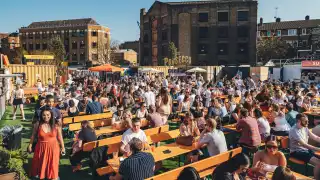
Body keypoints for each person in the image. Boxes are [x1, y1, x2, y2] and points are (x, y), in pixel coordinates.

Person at [28, 109, 65, 180]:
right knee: (40, 163)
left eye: (48, 115)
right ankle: (41, 174)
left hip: (53, 148)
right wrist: (30, 145)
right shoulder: (37, 124)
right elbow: (33, 135)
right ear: (41, 116)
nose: (46, 116)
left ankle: (53, 176)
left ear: (51, 115)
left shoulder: (56, 125)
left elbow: (60, 137)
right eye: (44, 115)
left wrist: (63, 147)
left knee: (53, 163)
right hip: (41, 148)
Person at [289, 113, 320, 179]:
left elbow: (315, 137)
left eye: (307, 121)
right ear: (299, 121)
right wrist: (318, 149)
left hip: (305, 150)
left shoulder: (304, 127)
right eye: (306, 121)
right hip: (296, 152)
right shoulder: (294, 131)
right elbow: (305, 145)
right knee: (318, 163)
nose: (308, 123)